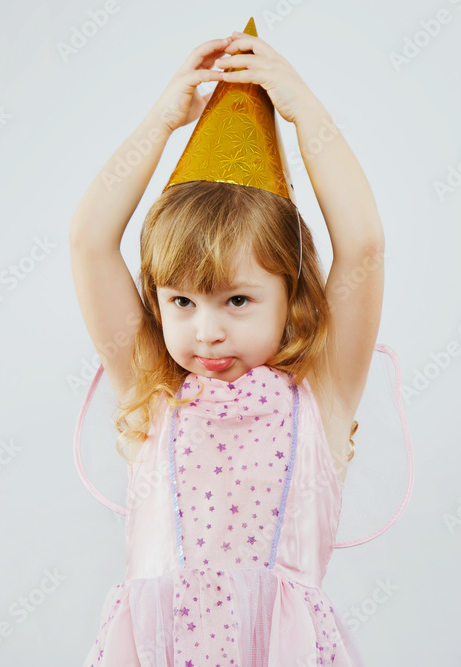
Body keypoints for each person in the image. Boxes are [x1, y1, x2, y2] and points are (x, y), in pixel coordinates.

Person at [69, 18, 387, 666]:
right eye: (181, 301)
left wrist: (304, 111)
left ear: (292, 296)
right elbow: (89, 243)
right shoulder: (152, 392)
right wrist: (162, 122)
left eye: (237, 300)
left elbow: (364, 245)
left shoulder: (319, 398)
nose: (206, 329)